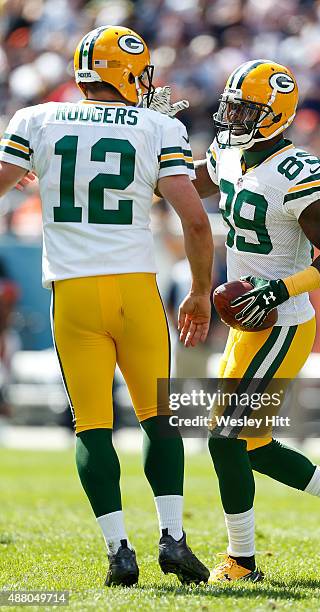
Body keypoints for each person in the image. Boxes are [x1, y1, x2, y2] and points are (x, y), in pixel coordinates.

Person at [0, 26, 213, 587]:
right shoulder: (159, 126)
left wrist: (35, 171)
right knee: (159, 420)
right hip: (136, 292)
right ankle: (172, 536)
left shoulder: (34, 120)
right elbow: (194, 219)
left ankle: (119, 550)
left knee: (92, 426)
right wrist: (197, 290)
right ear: (127, 73)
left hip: (72, 294)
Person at [190, 60, 320, 581]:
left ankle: (242, 561)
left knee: (225, 438)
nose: (232, 117)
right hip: (247, 323)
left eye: (246, 109)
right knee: (250, 444)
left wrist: (281, 287)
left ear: (276, 115)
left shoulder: (294, 171)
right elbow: (190, 185)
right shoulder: (228, 154)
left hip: (281, 320)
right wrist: (153, 141)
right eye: (231, 106)